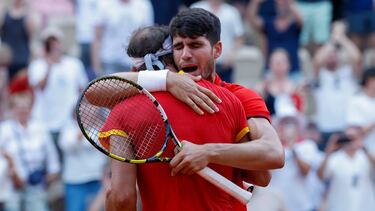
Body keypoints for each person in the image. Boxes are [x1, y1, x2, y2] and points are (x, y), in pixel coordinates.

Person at [104, 8, 283, 210]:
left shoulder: (237, 98)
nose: (186, 55)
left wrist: (207, 152)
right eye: (179, 47)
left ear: (217, 49)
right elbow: (261, 174)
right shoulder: (230, 101)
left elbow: (120, 197)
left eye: (195, 45)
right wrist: (167, 79)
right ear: (170, 54)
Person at [317, 126, 375, 211]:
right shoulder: (334, 158)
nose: (350, 140)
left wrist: (363, 147)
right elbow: (321, 176)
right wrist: (329, 151)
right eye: (347, 137)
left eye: (353, 137)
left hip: (365, 207)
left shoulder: (366, 156)